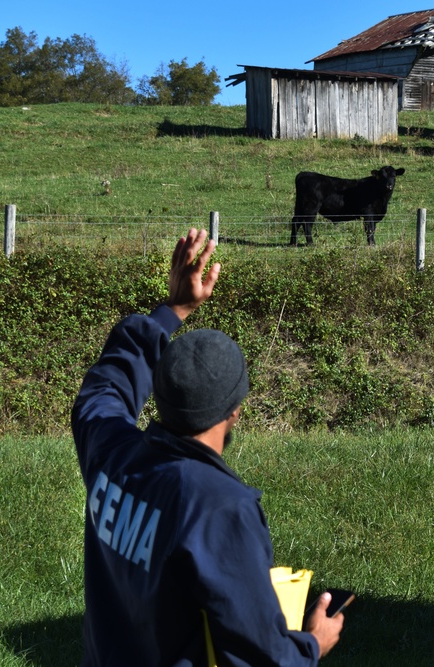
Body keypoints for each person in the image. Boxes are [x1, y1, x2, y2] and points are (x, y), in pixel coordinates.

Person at [71, 228, 344, 666]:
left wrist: (173, 309)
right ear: (235, 411)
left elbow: (104, 388)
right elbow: (258, 658)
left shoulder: (112, 452)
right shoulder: (219, 507)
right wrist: (313, 643)